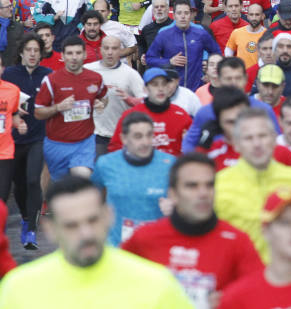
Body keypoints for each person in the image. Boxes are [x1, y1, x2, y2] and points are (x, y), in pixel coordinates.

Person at [0, 176, 192, 307]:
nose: (86, 233)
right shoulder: (18, 290)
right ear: (50, 229)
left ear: (108, 215)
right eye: (71, 226)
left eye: (92, 220)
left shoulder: (158, 284)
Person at [122, 153, 263, 309]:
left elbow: (261, 297)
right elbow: (116, 290)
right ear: (173, 194)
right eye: (192, 186)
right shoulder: (144, 238)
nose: (203, 193)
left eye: (209, 185)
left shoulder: (238, 242)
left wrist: (230, 302)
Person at [214, 107, 291, 263]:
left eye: (263, 136)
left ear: (275, 139)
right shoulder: (220, 185)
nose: (257, 144)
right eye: (248, 138)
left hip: (289, 277)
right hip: (240, 280)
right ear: (237, 144)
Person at [91, 113, 174, 245]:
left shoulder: (170, 164)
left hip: (156, 247)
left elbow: (187, 204)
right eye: (138, 136)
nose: (145, 142)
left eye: (149, 135)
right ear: (124, 138)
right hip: (118, 248)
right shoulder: (106, 163)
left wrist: (176, 207)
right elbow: (90, 196)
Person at [34, 36, 108, 178]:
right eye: (69, 53)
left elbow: (104, 97)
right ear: (62, 56)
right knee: (60, 187)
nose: (74, 57)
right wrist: (58, 107)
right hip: (56, 143)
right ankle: (46, 200)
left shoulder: (95, 78)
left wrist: (101, 103)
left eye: (78, 53)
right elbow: (38, 113)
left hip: (85, 142)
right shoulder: (51, 80)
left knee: (82, 178)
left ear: (85, 54)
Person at [4, 34, 49, 249]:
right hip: (12, 140)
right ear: (21, 52)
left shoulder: (48, 75)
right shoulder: (10, 75)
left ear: (41, 54)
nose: (32, 54)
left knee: (33, 180)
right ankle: (24, 216)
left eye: (36, 50)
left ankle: (31, 228)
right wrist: (13, 114)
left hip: (38, 138)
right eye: (28, 50)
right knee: (19, 185)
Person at [108, 67, 194, 155]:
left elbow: (195, 146)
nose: (160, 88)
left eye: (164, 84)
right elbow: (116, 147)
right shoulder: (131, 115)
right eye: (155, 84)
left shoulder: (180, 114)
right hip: (139, 166)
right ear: (145, 89)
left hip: (172, 167)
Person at [146, 0, 222, 90]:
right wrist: (169, 62)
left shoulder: (200, 33)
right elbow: (149, 59)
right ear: (173, 15)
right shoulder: (164, 34)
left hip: (196, 87)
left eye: (186, 13)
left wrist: (209, 70)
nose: (183, 16)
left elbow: (217, 52)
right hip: (171, 89)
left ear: (190, 14)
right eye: (179, 13)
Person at [87, 35, 146, 155]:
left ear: (120, 50)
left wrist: (131, 100)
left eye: (114, 48)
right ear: (100, 49)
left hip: (122, 135)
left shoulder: (131, 74)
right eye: (106, 48)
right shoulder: (88, 71)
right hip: (96, 134)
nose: (110, 52)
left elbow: (145, 102)